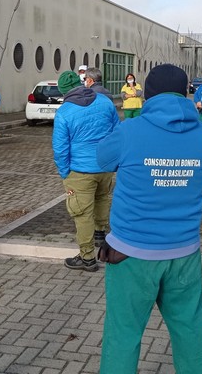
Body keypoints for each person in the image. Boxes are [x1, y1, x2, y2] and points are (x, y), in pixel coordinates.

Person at [97, 64, 202, 373]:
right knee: (189, 330)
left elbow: (102, 158)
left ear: (147, 94)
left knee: (123, 334)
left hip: (131, 253)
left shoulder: (130, 130)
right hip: (185, 252)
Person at [52, 70, 119, 271]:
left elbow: (60, 148)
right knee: (102, 200)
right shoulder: (105, 102)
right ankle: (100, 233)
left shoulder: (64, 112)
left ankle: (87, 257)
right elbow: (118, 132)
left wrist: (65, 173)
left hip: (80, 171)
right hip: (105, 167)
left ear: (64, 91)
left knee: (82, 214)